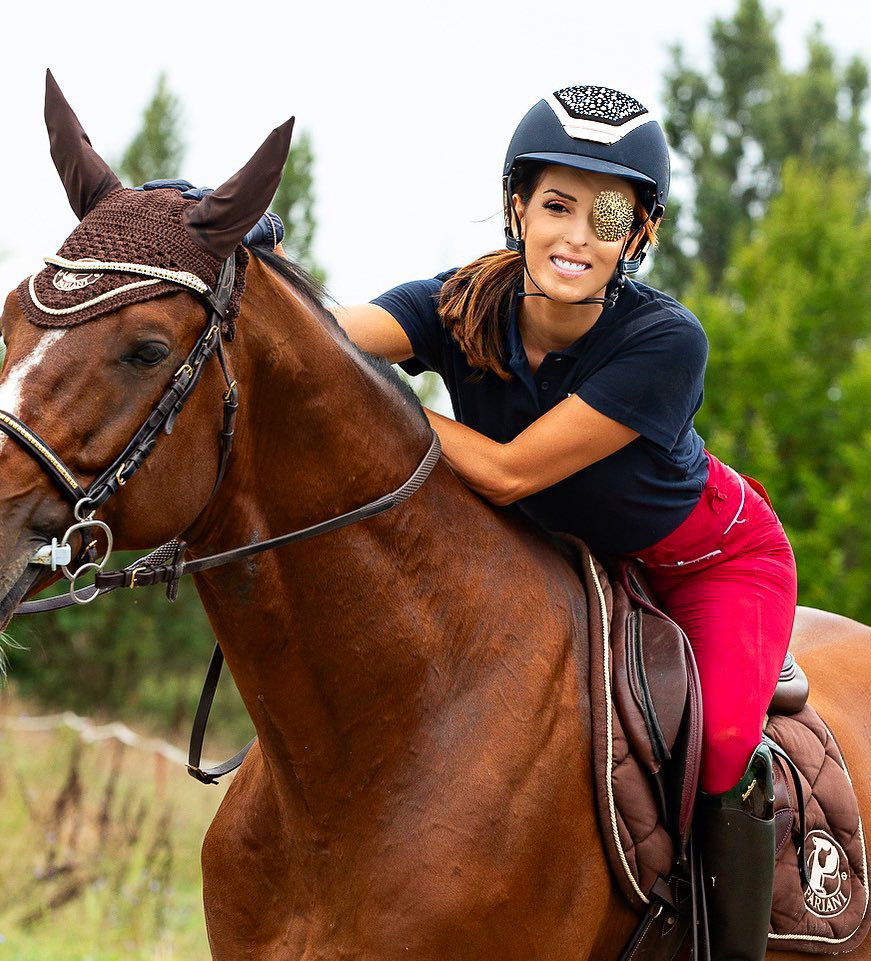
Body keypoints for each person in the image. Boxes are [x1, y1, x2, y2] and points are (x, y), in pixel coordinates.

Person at [330, 85, 797, 961]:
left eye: (608, 212)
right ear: (516, 207)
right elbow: (328, 342)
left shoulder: (668, 340)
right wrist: (247, 276)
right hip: (568, 554)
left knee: (726, 744)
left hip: (709, 560)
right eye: (555, 205)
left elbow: (508, 474)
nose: (576, 236)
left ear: (640, 233)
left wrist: (379, 413)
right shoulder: (458, 301)